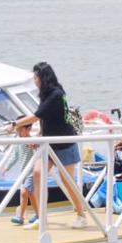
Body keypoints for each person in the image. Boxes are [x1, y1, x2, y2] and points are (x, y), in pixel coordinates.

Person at [8, 62, 88, 229]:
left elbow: (37, 116)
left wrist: (15, 124)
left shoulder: (56, 94)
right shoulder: (46, 95)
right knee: (37, 173)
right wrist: (39, 136)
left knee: (68, 182)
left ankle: (81, 215)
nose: (34, 80)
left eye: (36, 77)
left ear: (43, 78)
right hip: (50, 144)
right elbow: (46, 119)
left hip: (65, 143)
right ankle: (41, 217)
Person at [5, 123, 38, 226]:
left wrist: (34, 147)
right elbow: (14, 155)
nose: (18, 132)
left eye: (20, 130)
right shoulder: (18, 141)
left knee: (24, 193)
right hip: (23, 172)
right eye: (17, 130)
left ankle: (20, 217)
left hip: (31, 172)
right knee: (31, 195)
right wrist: (7, 166)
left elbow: (38, 153)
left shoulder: (33, 142)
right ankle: (38, 214)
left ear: (28, 129)